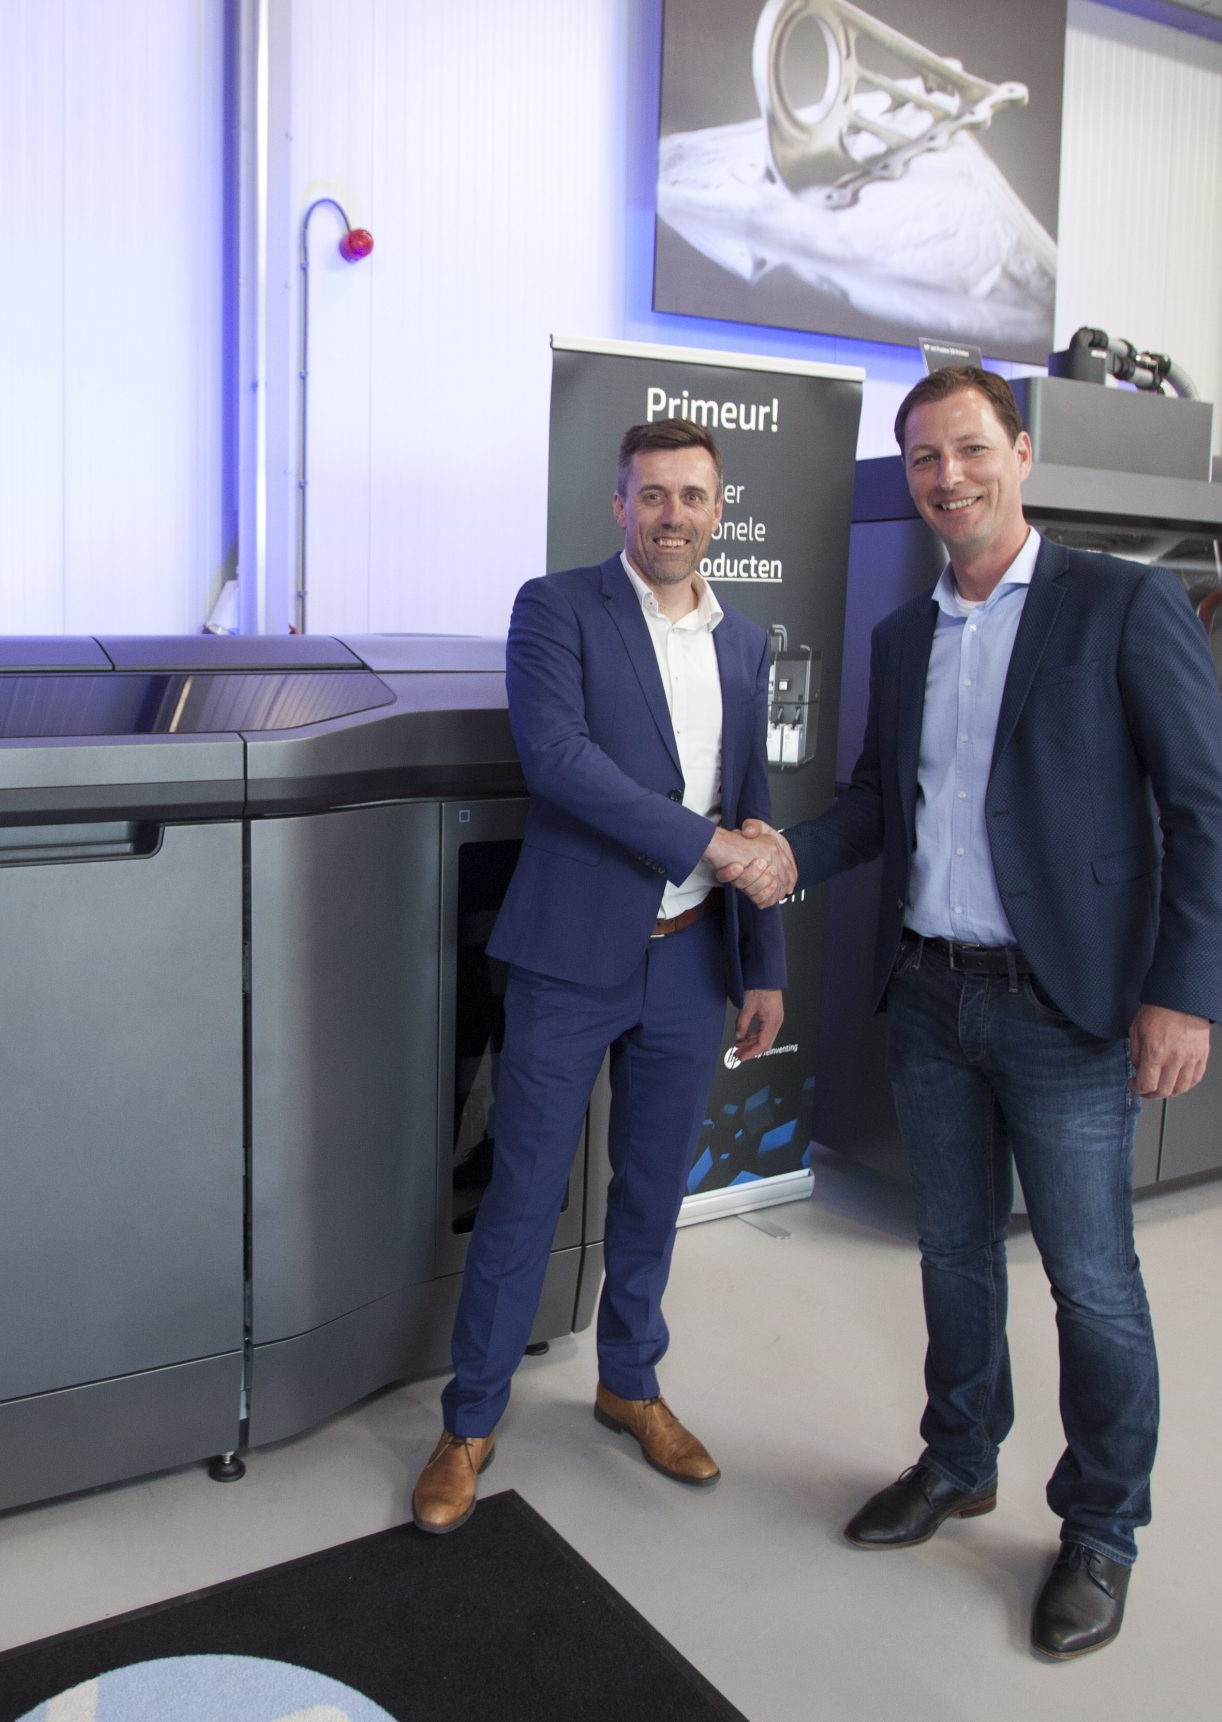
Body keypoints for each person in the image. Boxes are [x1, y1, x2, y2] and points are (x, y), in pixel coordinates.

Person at [724, 366, 1222, 1658]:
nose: (946, 477)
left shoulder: (1120, 603)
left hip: (1067, 1008)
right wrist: (783, 855)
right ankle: (959, 1458)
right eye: (923, 458)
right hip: (930, 994)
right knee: (952, 1254)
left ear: (1020, 452)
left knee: (1092, 1284)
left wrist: (1181, 994)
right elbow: (876, 802)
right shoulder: (905, 634)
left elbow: (1201, 812)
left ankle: (1102, 1528)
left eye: (968, 450)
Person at [411, 417, 789, 1535]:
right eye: (651, 494)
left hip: (693, 960)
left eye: (692, 496)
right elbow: (561, 762)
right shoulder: (556, 608)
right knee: (524, 1191)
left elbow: (753, 802)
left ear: (718, 510)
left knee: (653, 1190)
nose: (673, 515)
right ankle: (470, 1420)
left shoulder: (744, 641)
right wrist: (706, 845)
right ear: (619, 504)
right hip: (572, 959)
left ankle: (630, 1383)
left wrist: (762, 962)